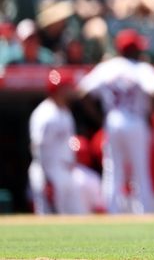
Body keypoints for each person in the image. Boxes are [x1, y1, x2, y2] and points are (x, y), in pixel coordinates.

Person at [78, 29, 154, 214]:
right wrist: (151, 114)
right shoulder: (142, 68)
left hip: (113, 119)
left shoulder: (108, 66)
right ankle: (143, 213)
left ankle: (112, 212)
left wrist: (100, 118)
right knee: (140, 170)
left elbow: (83, 92)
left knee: (113, 170)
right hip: (135, 120)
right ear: (134, 50)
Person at [28, 70, 89, 214]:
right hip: (48, 170)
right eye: (66, 87)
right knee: (50, 219)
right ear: (58, 89)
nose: (70, 90)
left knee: (77, 215)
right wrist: (46, 177)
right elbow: (37, 146)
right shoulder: (44, 114)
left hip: (66, 170)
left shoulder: (65, 111)